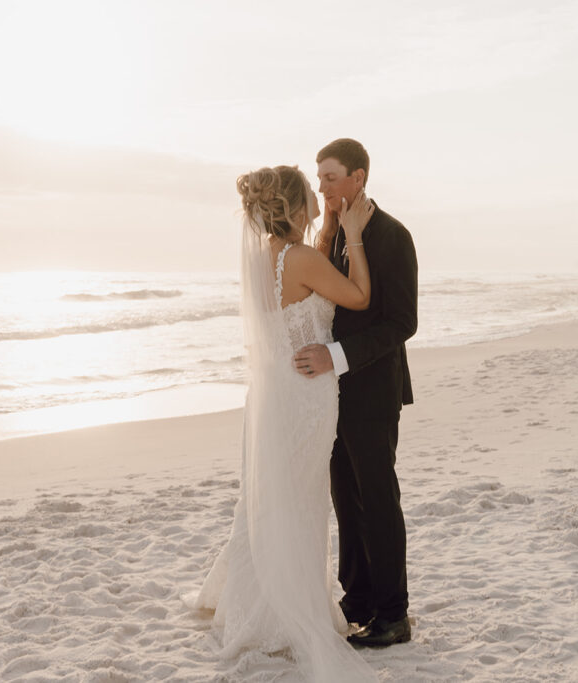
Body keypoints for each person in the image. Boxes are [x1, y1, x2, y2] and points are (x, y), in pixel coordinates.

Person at [192, 165, 378, 681]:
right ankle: (287, 612)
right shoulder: (301, 259)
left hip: (271, 396)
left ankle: (247, 604)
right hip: (306, 397)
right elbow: (358, 296)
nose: (321, 194)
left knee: (268, 498)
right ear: (297, 206)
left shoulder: (264, 258)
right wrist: (356, 238)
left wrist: (327, 237)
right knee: (300, 499)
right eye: (312, 191)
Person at [293, 138, 418, 648]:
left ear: (358, 178)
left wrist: (336, 357)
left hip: (372, 389)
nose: (320, 185)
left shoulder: (390, 234)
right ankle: (359, 598)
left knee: (377, 499)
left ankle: (393, 614)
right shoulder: (339, 230)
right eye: (318, 176)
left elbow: (402, 323)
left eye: (329, 177)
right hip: (334, 393)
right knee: (346, 497)